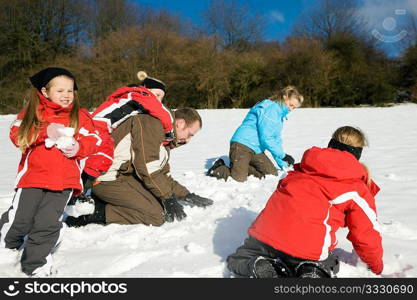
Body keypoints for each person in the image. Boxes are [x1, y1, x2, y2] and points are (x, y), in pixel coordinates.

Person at [227, 126, 383, 278]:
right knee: (330, 261)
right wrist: (376, 266)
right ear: (358, 153)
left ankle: (258, 266)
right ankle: (312, 270)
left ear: (331, 144)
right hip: (308, 250)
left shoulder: (298, 171)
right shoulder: (356, 188)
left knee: (238, 260)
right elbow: (366, 234)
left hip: (264, 239)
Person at [0, 68, 100, 276]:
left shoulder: (80, 115)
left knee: (47, 224)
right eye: (60, 90)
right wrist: (44, 131)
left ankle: (35, 265)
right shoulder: (32, 112)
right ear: (45, 92)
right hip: (32, 179)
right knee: (21, 219)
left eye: (70, 90)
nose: (66, 95)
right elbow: (16, 134)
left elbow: (94, 139)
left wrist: (78, 148)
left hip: (64, 182)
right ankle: (7, 247)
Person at [65, 108, 213, 227]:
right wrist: (168, 197)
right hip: (106, 179)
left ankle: (106, 201)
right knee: (156, 215)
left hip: (122, 177)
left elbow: (162, 175)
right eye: (189, 134)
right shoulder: (151, 125)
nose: (187, 141)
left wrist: (186, 195)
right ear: (180, 123)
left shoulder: (164, 138)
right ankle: (93, 213)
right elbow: (147, 169)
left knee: (159, 203)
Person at [81, 71, 175, 193]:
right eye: (156, 94)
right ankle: (82, 188)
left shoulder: (131, 98)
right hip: (99, 126)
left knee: (97, 155)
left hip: (99, 126)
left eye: (161, 97)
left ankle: (84, 187)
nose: (158, 100)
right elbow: (162, 113)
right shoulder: (140, 95)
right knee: (103, 154)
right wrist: (169, 133)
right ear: (146, 89)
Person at [206, 86, 303, 182]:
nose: (291, 109)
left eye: (294, 107)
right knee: (238, 179)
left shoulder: (280, 116)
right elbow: (266, 138)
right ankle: (219, 169)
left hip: (256, 150)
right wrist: (283, 155)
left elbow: (276, 140)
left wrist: (283, 163)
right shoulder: (272, 109)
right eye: (291, 105)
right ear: (284, 97)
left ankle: (241, 166)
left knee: (271, 175)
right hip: (242, 144)